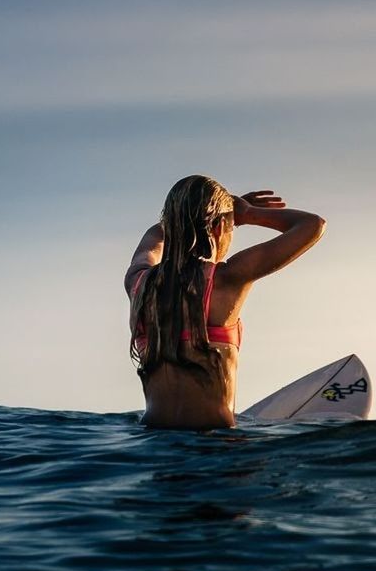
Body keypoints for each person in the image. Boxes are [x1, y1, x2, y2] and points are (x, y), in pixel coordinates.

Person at [125, 175, 326, 429]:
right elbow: (312, 225)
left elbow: (154, 235)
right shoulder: (228, 278)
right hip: (215, 443)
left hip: (154, 441)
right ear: (220, 227)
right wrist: (248, 213)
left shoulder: (139, 283)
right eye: (230, 227)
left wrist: (194, 213)